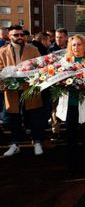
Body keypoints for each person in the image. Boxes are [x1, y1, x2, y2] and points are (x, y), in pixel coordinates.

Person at [55, 34, 85, 174]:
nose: (76, 47)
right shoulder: (64, 62)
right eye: (73, 45)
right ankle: (72, 166)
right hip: (69, 105)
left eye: (79, 44)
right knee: (70, 138)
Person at [0, 26, 46, 156]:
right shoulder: (2, 51)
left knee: (33, 117)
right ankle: (15, 144)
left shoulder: (33, 49)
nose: (20, 37)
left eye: (21, 34)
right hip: (11, 90)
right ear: (9, 36)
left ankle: (37, 142)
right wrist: (7, 74)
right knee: (13, 119)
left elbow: (41, 66)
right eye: (16, 35)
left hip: (30, 88)